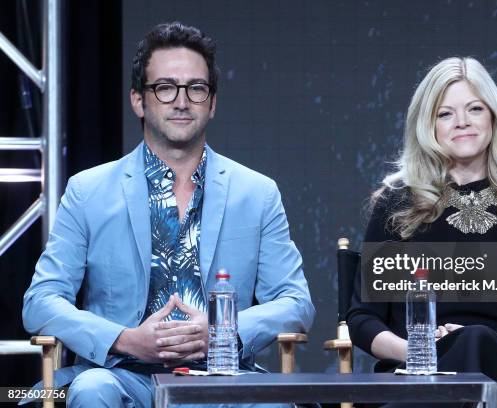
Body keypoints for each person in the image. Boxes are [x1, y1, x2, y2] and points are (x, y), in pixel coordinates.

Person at [22, 22, 314, 407]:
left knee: (274, 403)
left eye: (196, 88)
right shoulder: (88, 190)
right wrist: (124, 340)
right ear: (139, 101)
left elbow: (296, 302)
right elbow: (41, 301)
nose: (181, 101)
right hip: (121, 376)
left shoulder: (256, 193)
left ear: (212, 103)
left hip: (224, 377)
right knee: (93, 390)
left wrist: (222, 331)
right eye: (165, 88)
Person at [347, 57, 497, 408]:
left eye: (474, 109)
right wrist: (424, 353)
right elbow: (362, 320)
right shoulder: (396, 202)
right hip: (412, 372)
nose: (462, 122)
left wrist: (491, 342)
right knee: (467, 350)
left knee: (478, 341)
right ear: (427, 125)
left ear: (494, 116)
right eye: (445, 114)